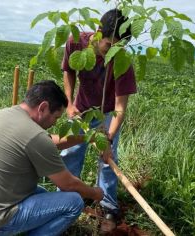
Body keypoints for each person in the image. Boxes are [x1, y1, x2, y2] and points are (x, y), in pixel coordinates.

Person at [0, 80, 104, 236]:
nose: (55, 123)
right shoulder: (35, 136)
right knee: (74, 202)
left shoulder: (1, 115)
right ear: (43, 108)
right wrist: (95, 193)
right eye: (56, 117)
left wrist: (85, 138)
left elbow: (50, 141)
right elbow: (68, 184)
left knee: (43, 194)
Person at [61, 8, 137, 231]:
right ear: (97, 32)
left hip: (107, 113)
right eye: (108, 46)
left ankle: (108, 206)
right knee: (70, 152)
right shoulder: (76, 43)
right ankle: (66, 199)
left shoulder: (122, 61)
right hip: (82, 110)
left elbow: (120, 106)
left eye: (118, 47)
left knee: (108, 162)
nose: (111, 52)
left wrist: (109, 139)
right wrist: (69, 103)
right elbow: (68, 71)